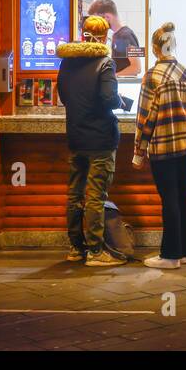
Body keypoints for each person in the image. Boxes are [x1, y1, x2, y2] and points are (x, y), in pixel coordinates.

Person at [57, 15, 125, 267]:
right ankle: (96, 251)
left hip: (76, 136)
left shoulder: (67, 62)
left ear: (83, 32)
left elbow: (64, 96)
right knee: (96, 195)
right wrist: (119, 102)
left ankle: (76, 248)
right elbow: (109, 99)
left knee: (75, 195)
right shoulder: (105, 63)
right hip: (100, 139)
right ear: (104, 36)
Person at [131, 21, 186, 269]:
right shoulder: (182, 71)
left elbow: (145, 117)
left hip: (162, 146)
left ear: (156, 48)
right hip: (185, 143)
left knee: (168, 198)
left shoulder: (152, 76)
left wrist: (139, 152)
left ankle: (170, 256)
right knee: (184, 195)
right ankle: (185, 251)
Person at [88, 0, 140, 77]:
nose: (96, 24)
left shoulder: (127, 35)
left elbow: (136, 68)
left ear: (107, 17)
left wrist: (112, 76)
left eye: (97, 20)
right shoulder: (115, 35)